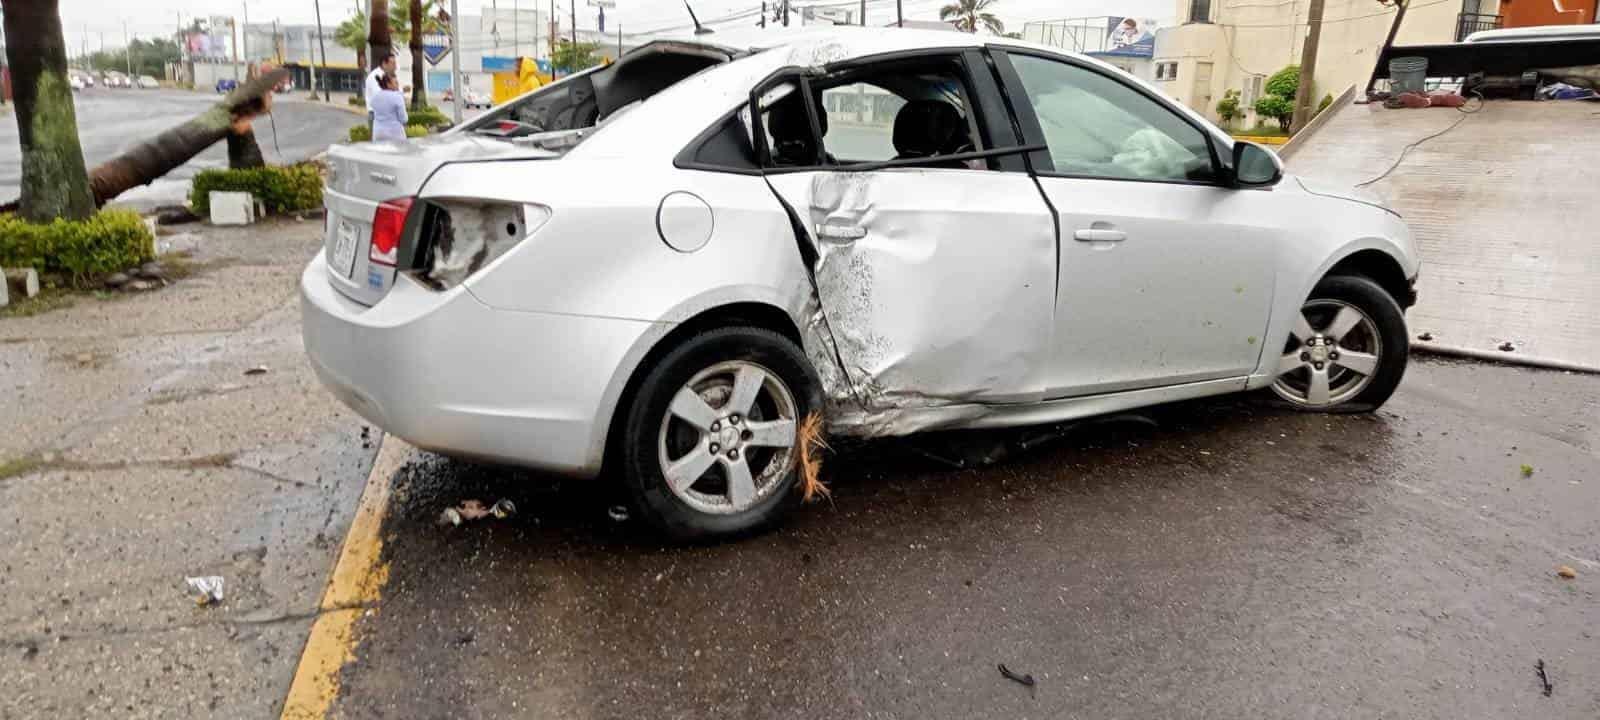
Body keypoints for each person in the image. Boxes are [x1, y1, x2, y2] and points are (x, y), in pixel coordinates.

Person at [371, 74, 410, 142]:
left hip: (378, 133)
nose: (398, 85)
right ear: (388, 84)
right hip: (395, 134)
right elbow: (404, 119)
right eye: (396, 83)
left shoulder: (375, 96)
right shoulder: (397, 97)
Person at [365, 54, 398, 135]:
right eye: (393, 63)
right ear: (384, 64)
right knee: (379, 145)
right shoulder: (375, 76)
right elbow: (380, 96)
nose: (395, 66)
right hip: (377, 115)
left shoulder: (387, 76)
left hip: (386, 115)